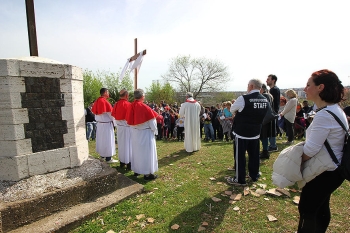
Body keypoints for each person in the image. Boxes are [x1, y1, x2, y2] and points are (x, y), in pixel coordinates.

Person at [297, 69, 347, 232]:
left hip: (324, 171)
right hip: (333, 170)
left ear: (320, 87)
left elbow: (310, 149)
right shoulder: (334, 109)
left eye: (308, 85)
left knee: (308, 210)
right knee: (320, 209)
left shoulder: (325, 115)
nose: (305, 89)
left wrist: (294, 163)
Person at [227, 79, 268, 186]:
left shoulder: (243, 98)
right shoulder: (265, 99)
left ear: (251, 86)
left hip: (242, 132)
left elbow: (232, 109)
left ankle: (240, 179)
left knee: (240, 156)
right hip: (255, 132)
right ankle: (254, 175)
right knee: (254, 155)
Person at [125, 89, 158, 180]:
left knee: (136, 153)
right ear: (142, 96)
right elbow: (152, 122)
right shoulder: (144, 107)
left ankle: (137, 170)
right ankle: (147, 174)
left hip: (135, 133)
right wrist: (155, 131)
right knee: (146, 154)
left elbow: (129, 121)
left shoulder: (131, 106)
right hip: (146, 133)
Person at [91, 88, 118, 163]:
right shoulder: (104, 102)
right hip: (106, 125)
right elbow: (111, 115)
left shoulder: (97, 101)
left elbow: (95, 113)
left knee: (101, 141)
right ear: (105, 92)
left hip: (100, 124)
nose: (108, 93)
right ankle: (108, 158)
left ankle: (102, 156)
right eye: (108, 92)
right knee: (108, 141)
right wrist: (115, 124)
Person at [111, 89, 132, 169]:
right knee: (128, 145)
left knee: (121, 145)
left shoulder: (116, 104)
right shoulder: (129, 104)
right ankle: (129, 162)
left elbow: (113, 115)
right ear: (126, 96)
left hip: (120, 127)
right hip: (127, 127)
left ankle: (122, 162)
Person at [259, 84, 274, 159]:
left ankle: (265, 151)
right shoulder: (269, 95)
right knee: (264, 136)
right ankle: (265, 150)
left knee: (263, 136)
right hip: (267, 118)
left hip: (264, 118)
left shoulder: (265, 96)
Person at [266, 74, 280, 152]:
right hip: (273, 112)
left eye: (268, 79)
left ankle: (273, 145)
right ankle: (271, 144)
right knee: (271, 128)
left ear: (273, 80)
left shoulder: (274, 90)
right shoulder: (273, 89)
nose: (266, 81)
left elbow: (272, 103)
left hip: (272, 112)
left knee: (272, 129)